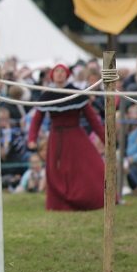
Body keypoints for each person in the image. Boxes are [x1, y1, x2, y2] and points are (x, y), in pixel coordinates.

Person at [26, 63, 106, 211]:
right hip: (56, 138)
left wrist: (104, 138)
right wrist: (31, 139)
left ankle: (94, 197)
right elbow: (37, 120)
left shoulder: (76, 93)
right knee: (57, 172)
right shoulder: (47, 95)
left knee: (92, 167)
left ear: (67, 75)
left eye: (62, 71)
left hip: (76, 136)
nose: (59, 74)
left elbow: (92, 118)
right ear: (52, 75)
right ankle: (60, 202)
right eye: (56, 71)